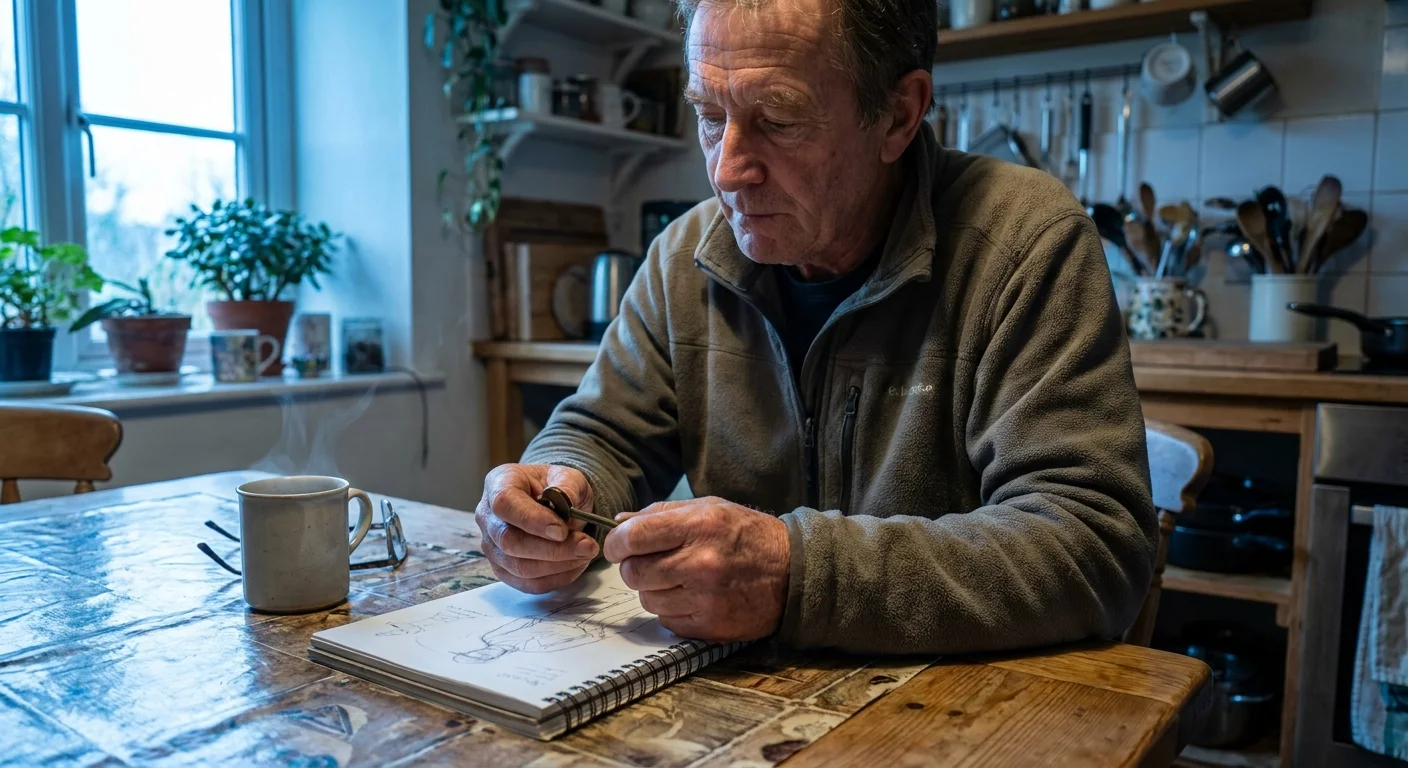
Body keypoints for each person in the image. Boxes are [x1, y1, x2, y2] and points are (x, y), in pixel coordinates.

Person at [474, 0, 1157, 655]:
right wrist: (558, 487)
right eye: (710, 116)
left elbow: (1093, 545)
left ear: (898, 114)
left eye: (777, 117)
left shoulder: (1024, 242)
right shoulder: (686, 256)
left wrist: (799, 575)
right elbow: (603, 433)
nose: (726, 170)